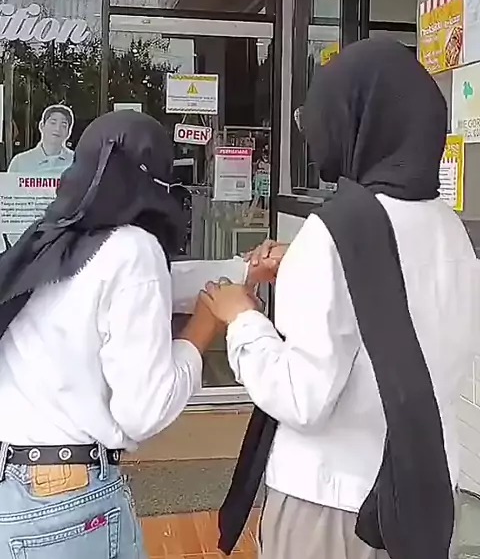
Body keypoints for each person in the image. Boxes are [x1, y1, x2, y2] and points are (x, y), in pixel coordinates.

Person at [201, 38, 479, 559]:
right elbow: (401, 304)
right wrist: (304, 264)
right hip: (424, 501)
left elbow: (301, 399)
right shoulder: (451, 228)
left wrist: (241, 319)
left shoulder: (335, 232)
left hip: (331, 507)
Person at [0, 110, 222, 558]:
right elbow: (143, 411)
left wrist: (239, 272)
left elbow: (139, 285)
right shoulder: (134, 250)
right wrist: (205, 327)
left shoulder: (52, 239)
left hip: (15, 489)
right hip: (68, 504)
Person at [8, 104, 74, 175]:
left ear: (69, 132)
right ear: (42, 126)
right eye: (53, 123)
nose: (57, 129)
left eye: (63, 125)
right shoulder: (19, 162)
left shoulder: (76, 162)